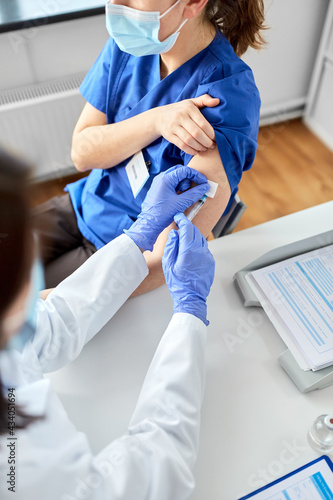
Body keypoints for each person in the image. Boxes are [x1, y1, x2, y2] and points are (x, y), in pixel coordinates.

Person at [0, 149, 215, 500]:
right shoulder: (22, 467)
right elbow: (158, 467)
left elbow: (53, 326)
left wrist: (139, 235)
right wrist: (190, 313)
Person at [33, 0, 264, 291]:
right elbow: (82, 153)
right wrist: (156, 120)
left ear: (192, 3)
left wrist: (56, 305)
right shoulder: (132, 44)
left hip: (122, 251)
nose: (116, 4)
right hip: (82, 203)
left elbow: (162, 259)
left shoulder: (225, 97)